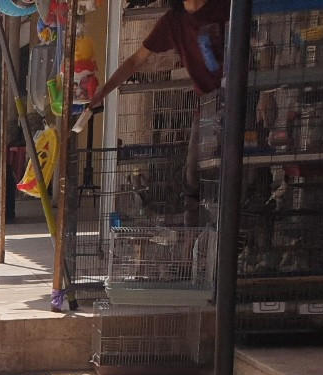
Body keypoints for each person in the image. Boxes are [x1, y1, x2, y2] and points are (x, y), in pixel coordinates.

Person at [89, 0, 231, 223]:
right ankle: (195, 234)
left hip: (238, 93)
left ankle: (238, 228)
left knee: (237, 166)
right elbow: (136, 60)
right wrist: (103, 91)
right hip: (208, 104)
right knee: (194, 173)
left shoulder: (225, 7)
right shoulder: (173, 22)